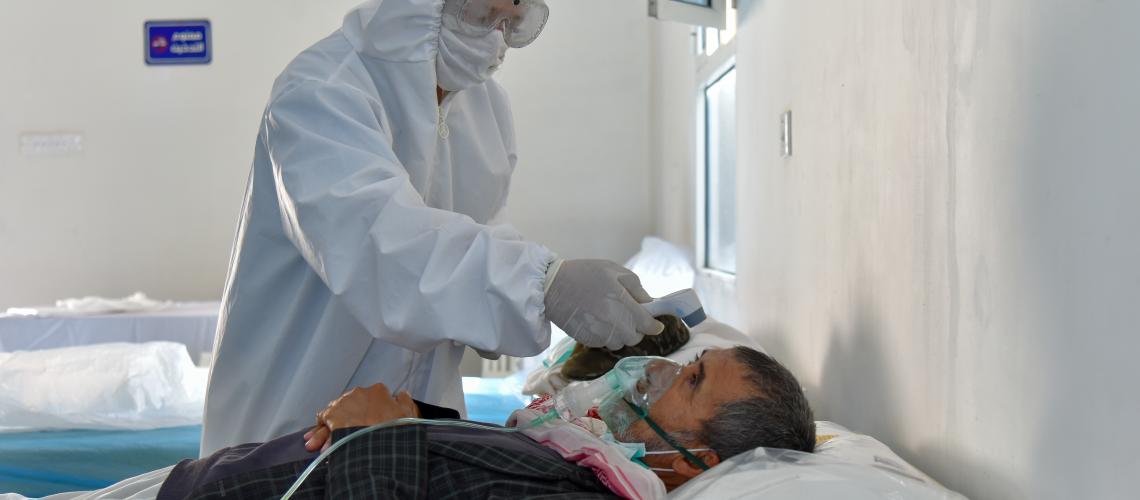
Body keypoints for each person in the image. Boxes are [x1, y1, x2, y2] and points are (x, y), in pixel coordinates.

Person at [201, 0, 666, 456]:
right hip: (296, 411)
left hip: (412, 419)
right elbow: (382, 248)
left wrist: (551, 289)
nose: (494, 41)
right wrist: (541, 284)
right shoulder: (321, 92)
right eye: (484, 15)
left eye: (512, 22)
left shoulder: (487, 108)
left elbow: (474, 237)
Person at [165, 347, 815, 499]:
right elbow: (478, 465)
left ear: (693, 460)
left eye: (692, 380)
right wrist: (418, 417)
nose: (665, 371)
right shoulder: (590, 466)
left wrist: (377, 432)